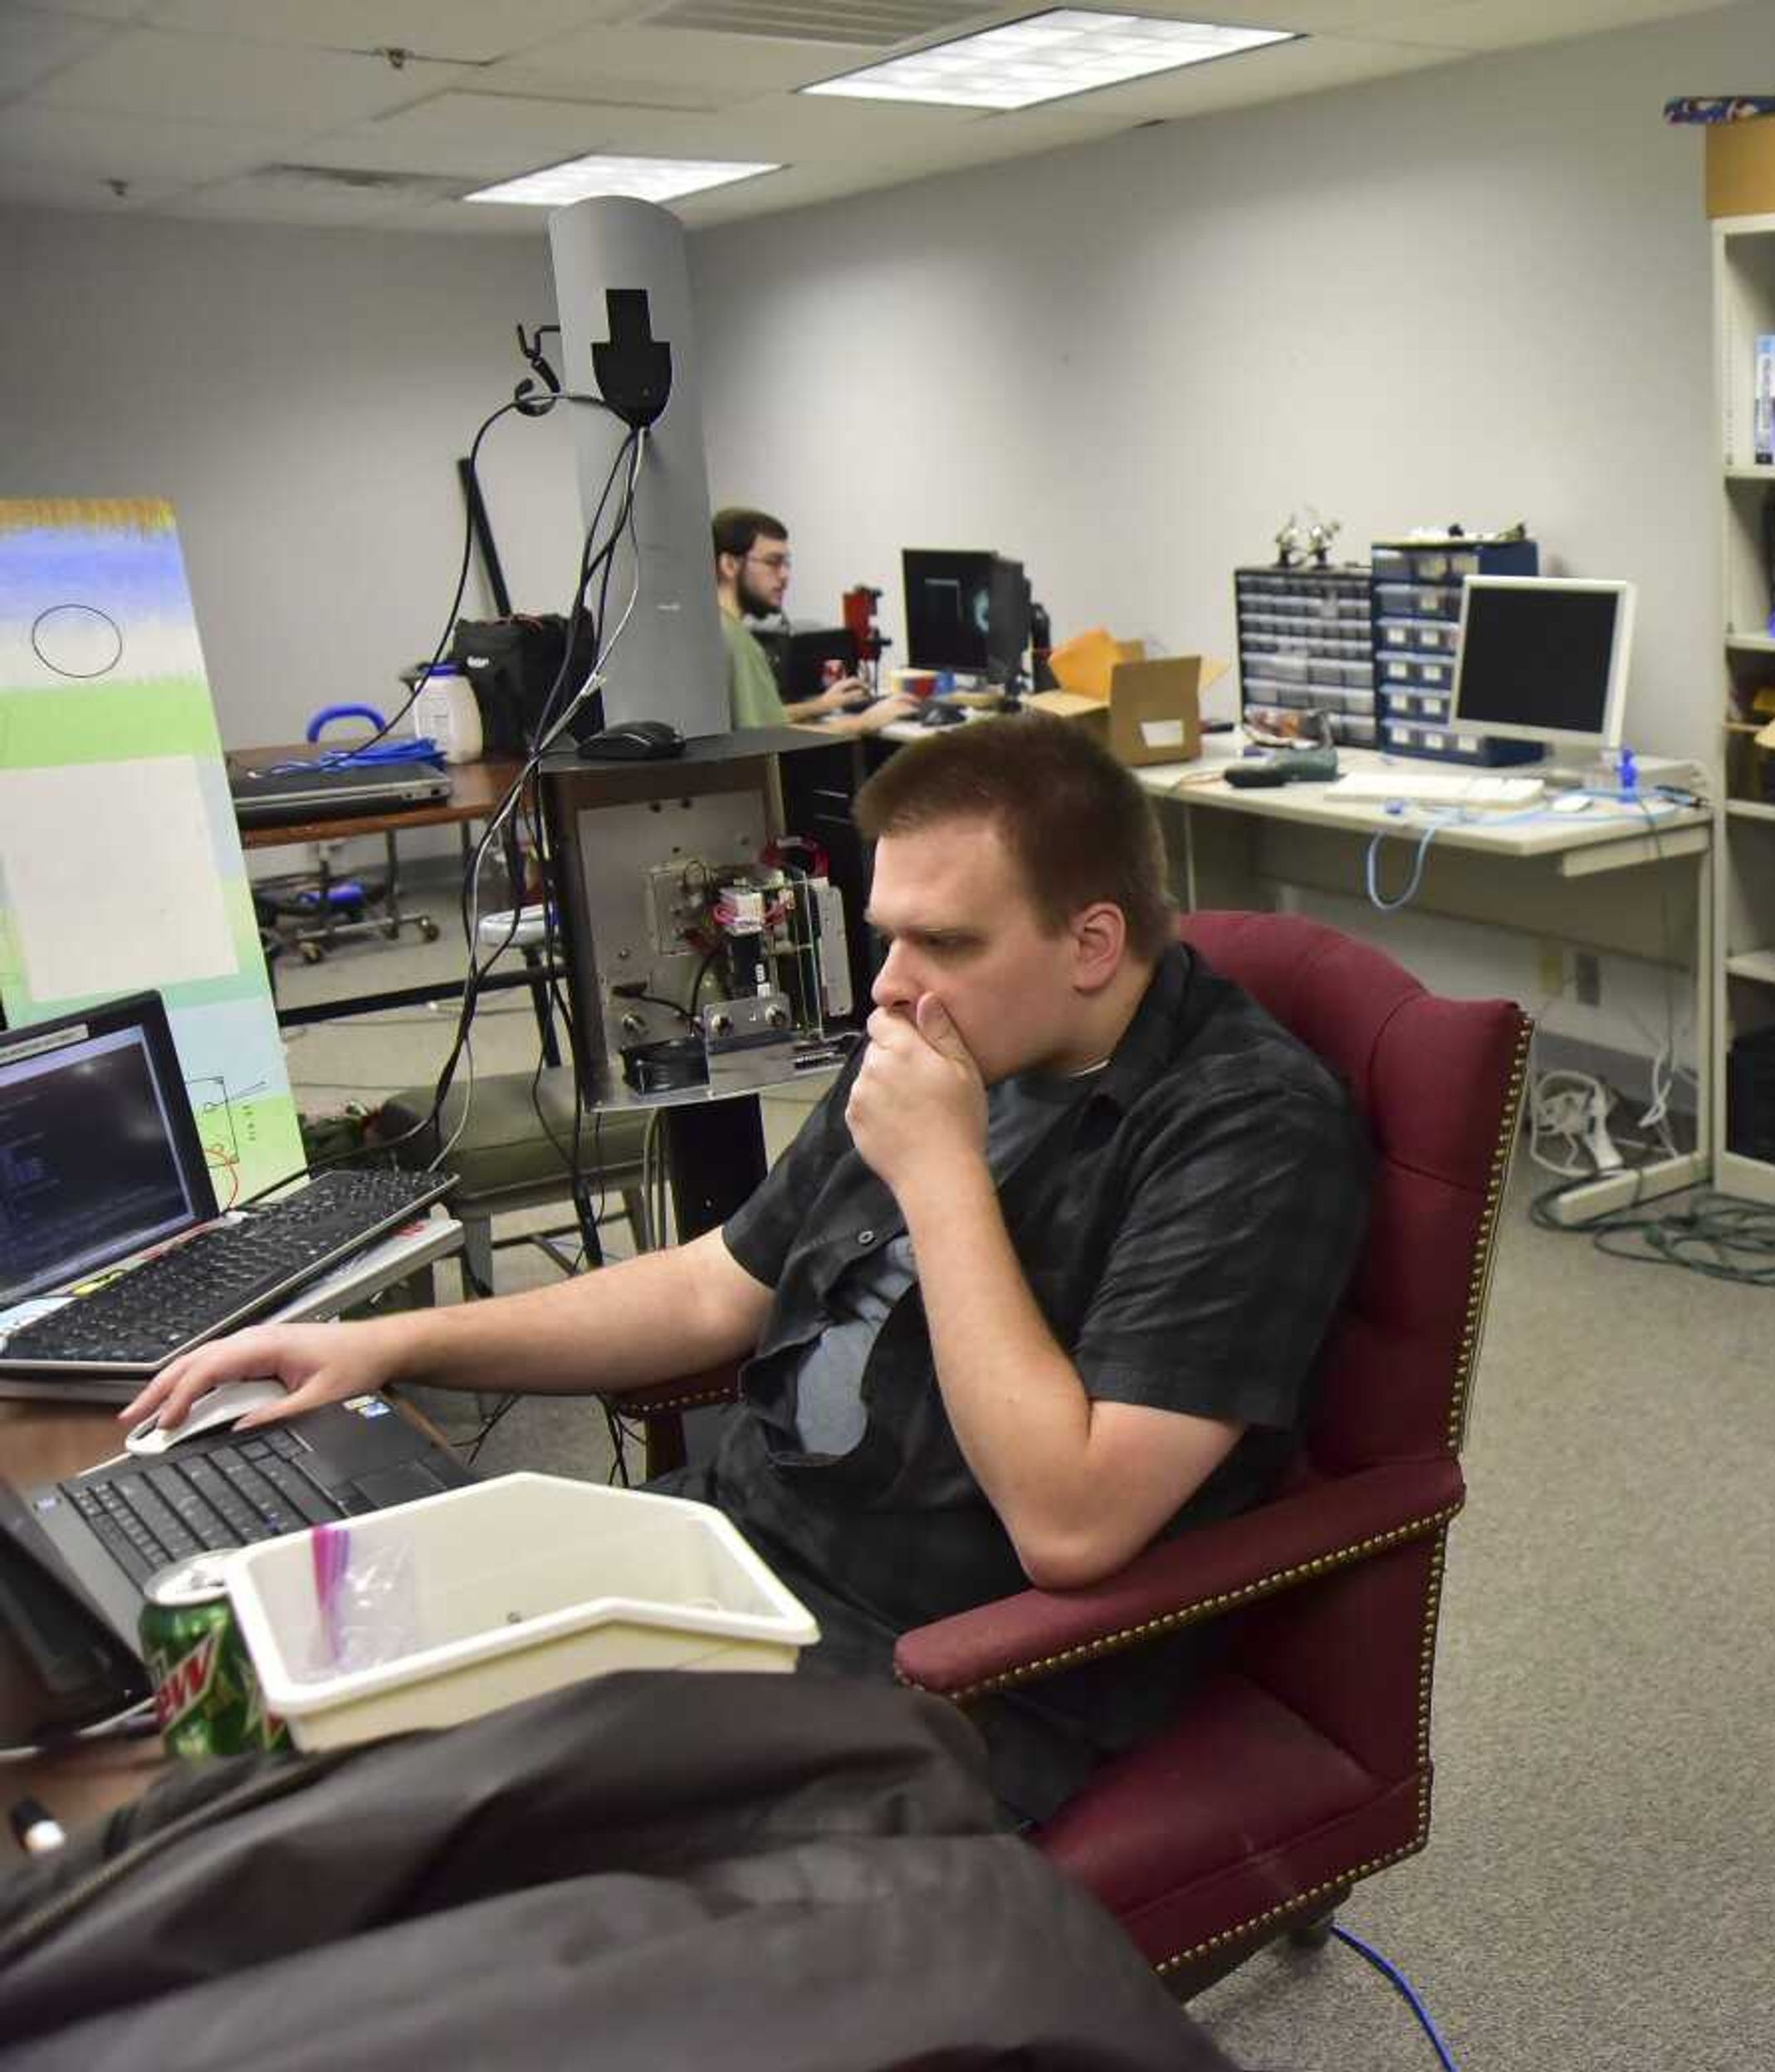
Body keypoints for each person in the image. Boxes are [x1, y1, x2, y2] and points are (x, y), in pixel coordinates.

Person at [133, 713, 1372, 1818]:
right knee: (317, 1701)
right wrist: (389, 1343)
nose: (890, 987)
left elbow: (1073, 1524)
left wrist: (942, 1178)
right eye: (888, 937)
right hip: (742, 1544)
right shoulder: (940, 1039)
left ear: (1093, 942)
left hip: (952, 1660)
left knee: (454, 1843)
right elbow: (707, 1288)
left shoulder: (1247, 1129)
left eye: (942, 941)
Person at [713, 505, 916, 735]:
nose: (785, 576)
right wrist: (864, 722)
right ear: (729, 564)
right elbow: (767, 740)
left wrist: (821, 706)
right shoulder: (736, 643)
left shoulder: (715, 628)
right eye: (772, 562)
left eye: (786, 563)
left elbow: (763, 720)